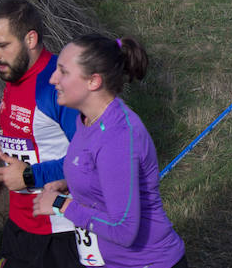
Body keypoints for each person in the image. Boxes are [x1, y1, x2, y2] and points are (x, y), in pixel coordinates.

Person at [33, 34, 188, 267]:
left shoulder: (118, 136)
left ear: (93, 82)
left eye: (63, 72)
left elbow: (123, 229)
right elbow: (102, 172)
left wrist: (60, 205)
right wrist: (70, 182)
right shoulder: (86, 120)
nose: (53, 79)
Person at [0, 0, 81, 268]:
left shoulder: (58, 85)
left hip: (61, 232)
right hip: (19, 226)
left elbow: (91, 160)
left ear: (30, 39)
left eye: (2, 46)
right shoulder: (14, 76)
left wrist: (28, 175)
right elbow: (35, 140)